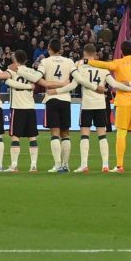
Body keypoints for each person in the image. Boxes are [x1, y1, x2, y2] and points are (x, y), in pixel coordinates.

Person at [35, 44, 81, 173]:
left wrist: (51, 86)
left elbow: (38, 78)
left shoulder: (45, 61)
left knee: (54, 133)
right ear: (60, 50)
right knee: (65, 134)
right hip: (66, 99)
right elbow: (76, 80)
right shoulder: (69, 61)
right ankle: (66, 165)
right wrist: (62, 85)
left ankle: (57, 165)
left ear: (49, 49)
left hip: (51, 99)